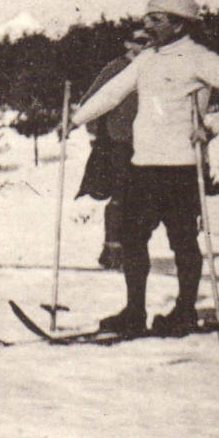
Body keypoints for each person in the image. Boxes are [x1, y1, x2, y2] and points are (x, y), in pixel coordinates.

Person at [70, 0, 219, 337]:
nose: (147, 24)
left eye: (156, 19)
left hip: (181, 169)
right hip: (144, 165)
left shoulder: (199, 58)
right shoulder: (147, 59)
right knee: (132, 237)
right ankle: (134, 312)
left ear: (179, 23)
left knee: (182, 240)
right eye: (147, 17)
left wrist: (212, 127)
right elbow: (112, 92)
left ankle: (184, 312)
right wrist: (76, 120)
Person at [75, 29, 150, 269]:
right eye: (139, 41)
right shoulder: (116, 68)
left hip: (145, 142)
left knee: (139, 198)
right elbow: (92, 99)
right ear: (129, 44)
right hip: (117, 142)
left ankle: (128, 247)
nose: (144, 45)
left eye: (149, 41)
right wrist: (95, 132)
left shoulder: (153, 69)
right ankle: (112, 249)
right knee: (121, 195)